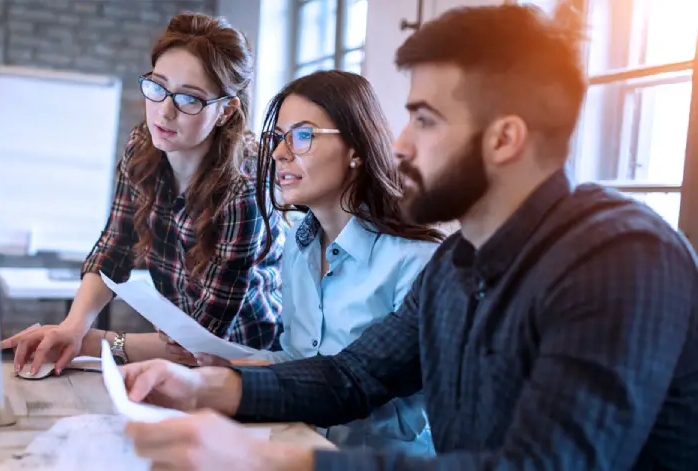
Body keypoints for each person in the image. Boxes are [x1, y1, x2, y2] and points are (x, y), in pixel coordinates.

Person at [116, 4, 698, 471]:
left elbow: (543, 462)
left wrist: (274, 459)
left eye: (424, 119)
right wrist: (205, 388)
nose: (398, 145)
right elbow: (351, 376)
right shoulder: (455, 266)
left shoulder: (622, 259)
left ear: (505, 139)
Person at [1, 13, 287, 375]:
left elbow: (199, 340)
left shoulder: (243, 189)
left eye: (190, 99)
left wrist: (92, 341)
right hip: (182, 358)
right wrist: (73, 327)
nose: (164, 112)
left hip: (248, 364)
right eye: (157, 87)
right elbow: (115, 246)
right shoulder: (143, 147)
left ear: (226, 110)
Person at [178, 69, 444, 454]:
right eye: (277, 138)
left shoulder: (415, 263)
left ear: (356, 148)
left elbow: (359, 384)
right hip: (296, 446)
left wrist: (232, 385)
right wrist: (226, 366)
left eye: (302, 136)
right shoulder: (298, 248)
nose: (279, 154)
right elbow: (297, 357)